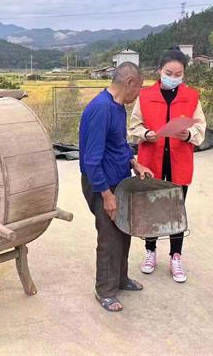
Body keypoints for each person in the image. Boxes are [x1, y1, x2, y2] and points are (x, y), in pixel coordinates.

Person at [79, 62, 154, 312]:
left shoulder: (118, 107)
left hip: (118, 181)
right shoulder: (101, 109)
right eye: (139, 87)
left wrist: (135, 163)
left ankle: (121, 279)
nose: (139, 93)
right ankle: (105, 291)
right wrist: (106, 195)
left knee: (123, 231)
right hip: (101, 183)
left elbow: (119, 145)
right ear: (129, 82)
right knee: (109, 237)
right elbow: (91, 159)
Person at [128, 47, 206, 283]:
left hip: (179, 160)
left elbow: (200, 127)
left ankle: (175, 256)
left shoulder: (191, 96)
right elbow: (134, 126)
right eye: (169, 73)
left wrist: (188, 134)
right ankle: (150, 251)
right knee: (150, 208)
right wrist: (147, 134)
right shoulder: (145, 96)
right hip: (151, 161)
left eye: (178, 74)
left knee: (176, 210)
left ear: (184, 74)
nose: (173, 77)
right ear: (159, 71)